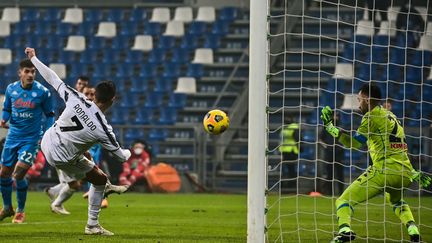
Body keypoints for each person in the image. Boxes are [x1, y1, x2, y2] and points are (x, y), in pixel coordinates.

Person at [26, 47, 131, 235]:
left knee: (88, 157)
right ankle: (92, 225)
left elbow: (52, 78)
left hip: (47, 141)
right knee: (98, 180)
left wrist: (34, 58)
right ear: (112, 100)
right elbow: (122, 158)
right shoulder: (103, 128)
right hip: (61, 157)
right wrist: (128, 151)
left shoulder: (76, 97)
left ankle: (101, 185)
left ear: (95, 94)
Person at [321, 84, 431, 243]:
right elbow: (400, 147)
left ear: (367, 100)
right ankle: (413, 230)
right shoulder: (391, 116)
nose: (358, 105)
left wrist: (330, 128)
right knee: (396, 201)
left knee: (343, 200)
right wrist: (413, 172)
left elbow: (355, 144)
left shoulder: (370, 117)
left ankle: (345, 231)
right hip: (405, 173)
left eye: (359, 100)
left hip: (384, 171)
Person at [0, 59, 55, 223]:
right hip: (13, 137)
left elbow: (50, 115)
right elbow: (7, 109)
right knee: (3, 174)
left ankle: (21, 210)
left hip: (31, 139)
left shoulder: (43, 92)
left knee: (19, 172)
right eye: (27, 71)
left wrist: (47, 134)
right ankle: (7, 207)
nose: (30, 74)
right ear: (20, 73)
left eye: (33, 72)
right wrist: (4, 119)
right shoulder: (11, 89)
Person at [45, 83, 107, 214]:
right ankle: (56, 204)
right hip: (63, 153)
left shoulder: (95, 116)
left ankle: (52, 192)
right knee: (76, 183)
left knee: (77, 180)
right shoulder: (74, 108)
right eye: (87, 94)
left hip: (71, 154)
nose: (90, 97)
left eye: (92, 94)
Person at [320, 112, 345, 195]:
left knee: (340, 174)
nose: (336, 117)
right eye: (335, 115)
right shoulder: (327, 128)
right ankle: (329, 193)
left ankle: (341, 193)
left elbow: (347, 140)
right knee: (329, 174)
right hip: (329, 153)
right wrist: (326, 146)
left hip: (339, 154)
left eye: (337, 115)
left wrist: (343, 146)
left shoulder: (341, 128)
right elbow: (320, 139)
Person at [279, 120, 299, 190]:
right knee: (290, 169)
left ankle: (291, 186)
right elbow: (298, 138)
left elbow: (297, 138)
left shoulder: (286, 127)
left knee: (290, 169)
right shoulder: (291, 127)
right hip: (289, 150)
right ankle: (290, 185)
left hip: (288, 150)